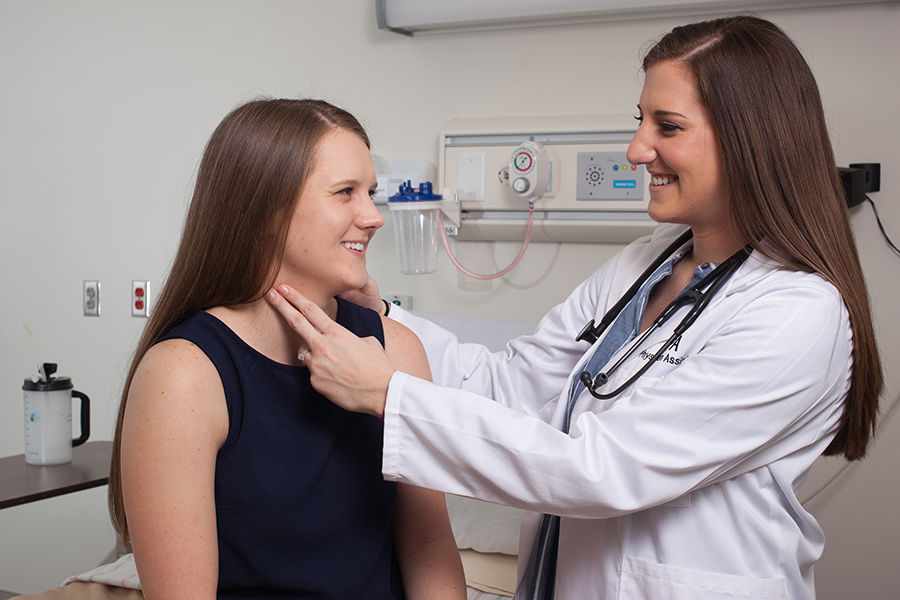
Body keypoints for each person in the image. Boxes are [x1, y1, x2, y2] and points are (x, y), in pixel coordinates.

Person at [264, 16, 883, 600]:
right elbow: (511, 386)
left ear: (752, 141)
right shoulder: (642, 265)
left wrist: (387, 395)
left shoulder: (797, 312)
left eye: (667, 127)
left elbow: (603, 470)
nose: (637, 150)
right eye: (640, 121)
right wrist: (383, 316)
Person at [106, 99, 466, 600]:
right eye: (346, 193)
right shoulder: (185, 375)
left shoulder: (397, 351)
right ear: (267, 209)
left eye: (371, 193)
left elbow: (428, 548)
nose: (373, 217)